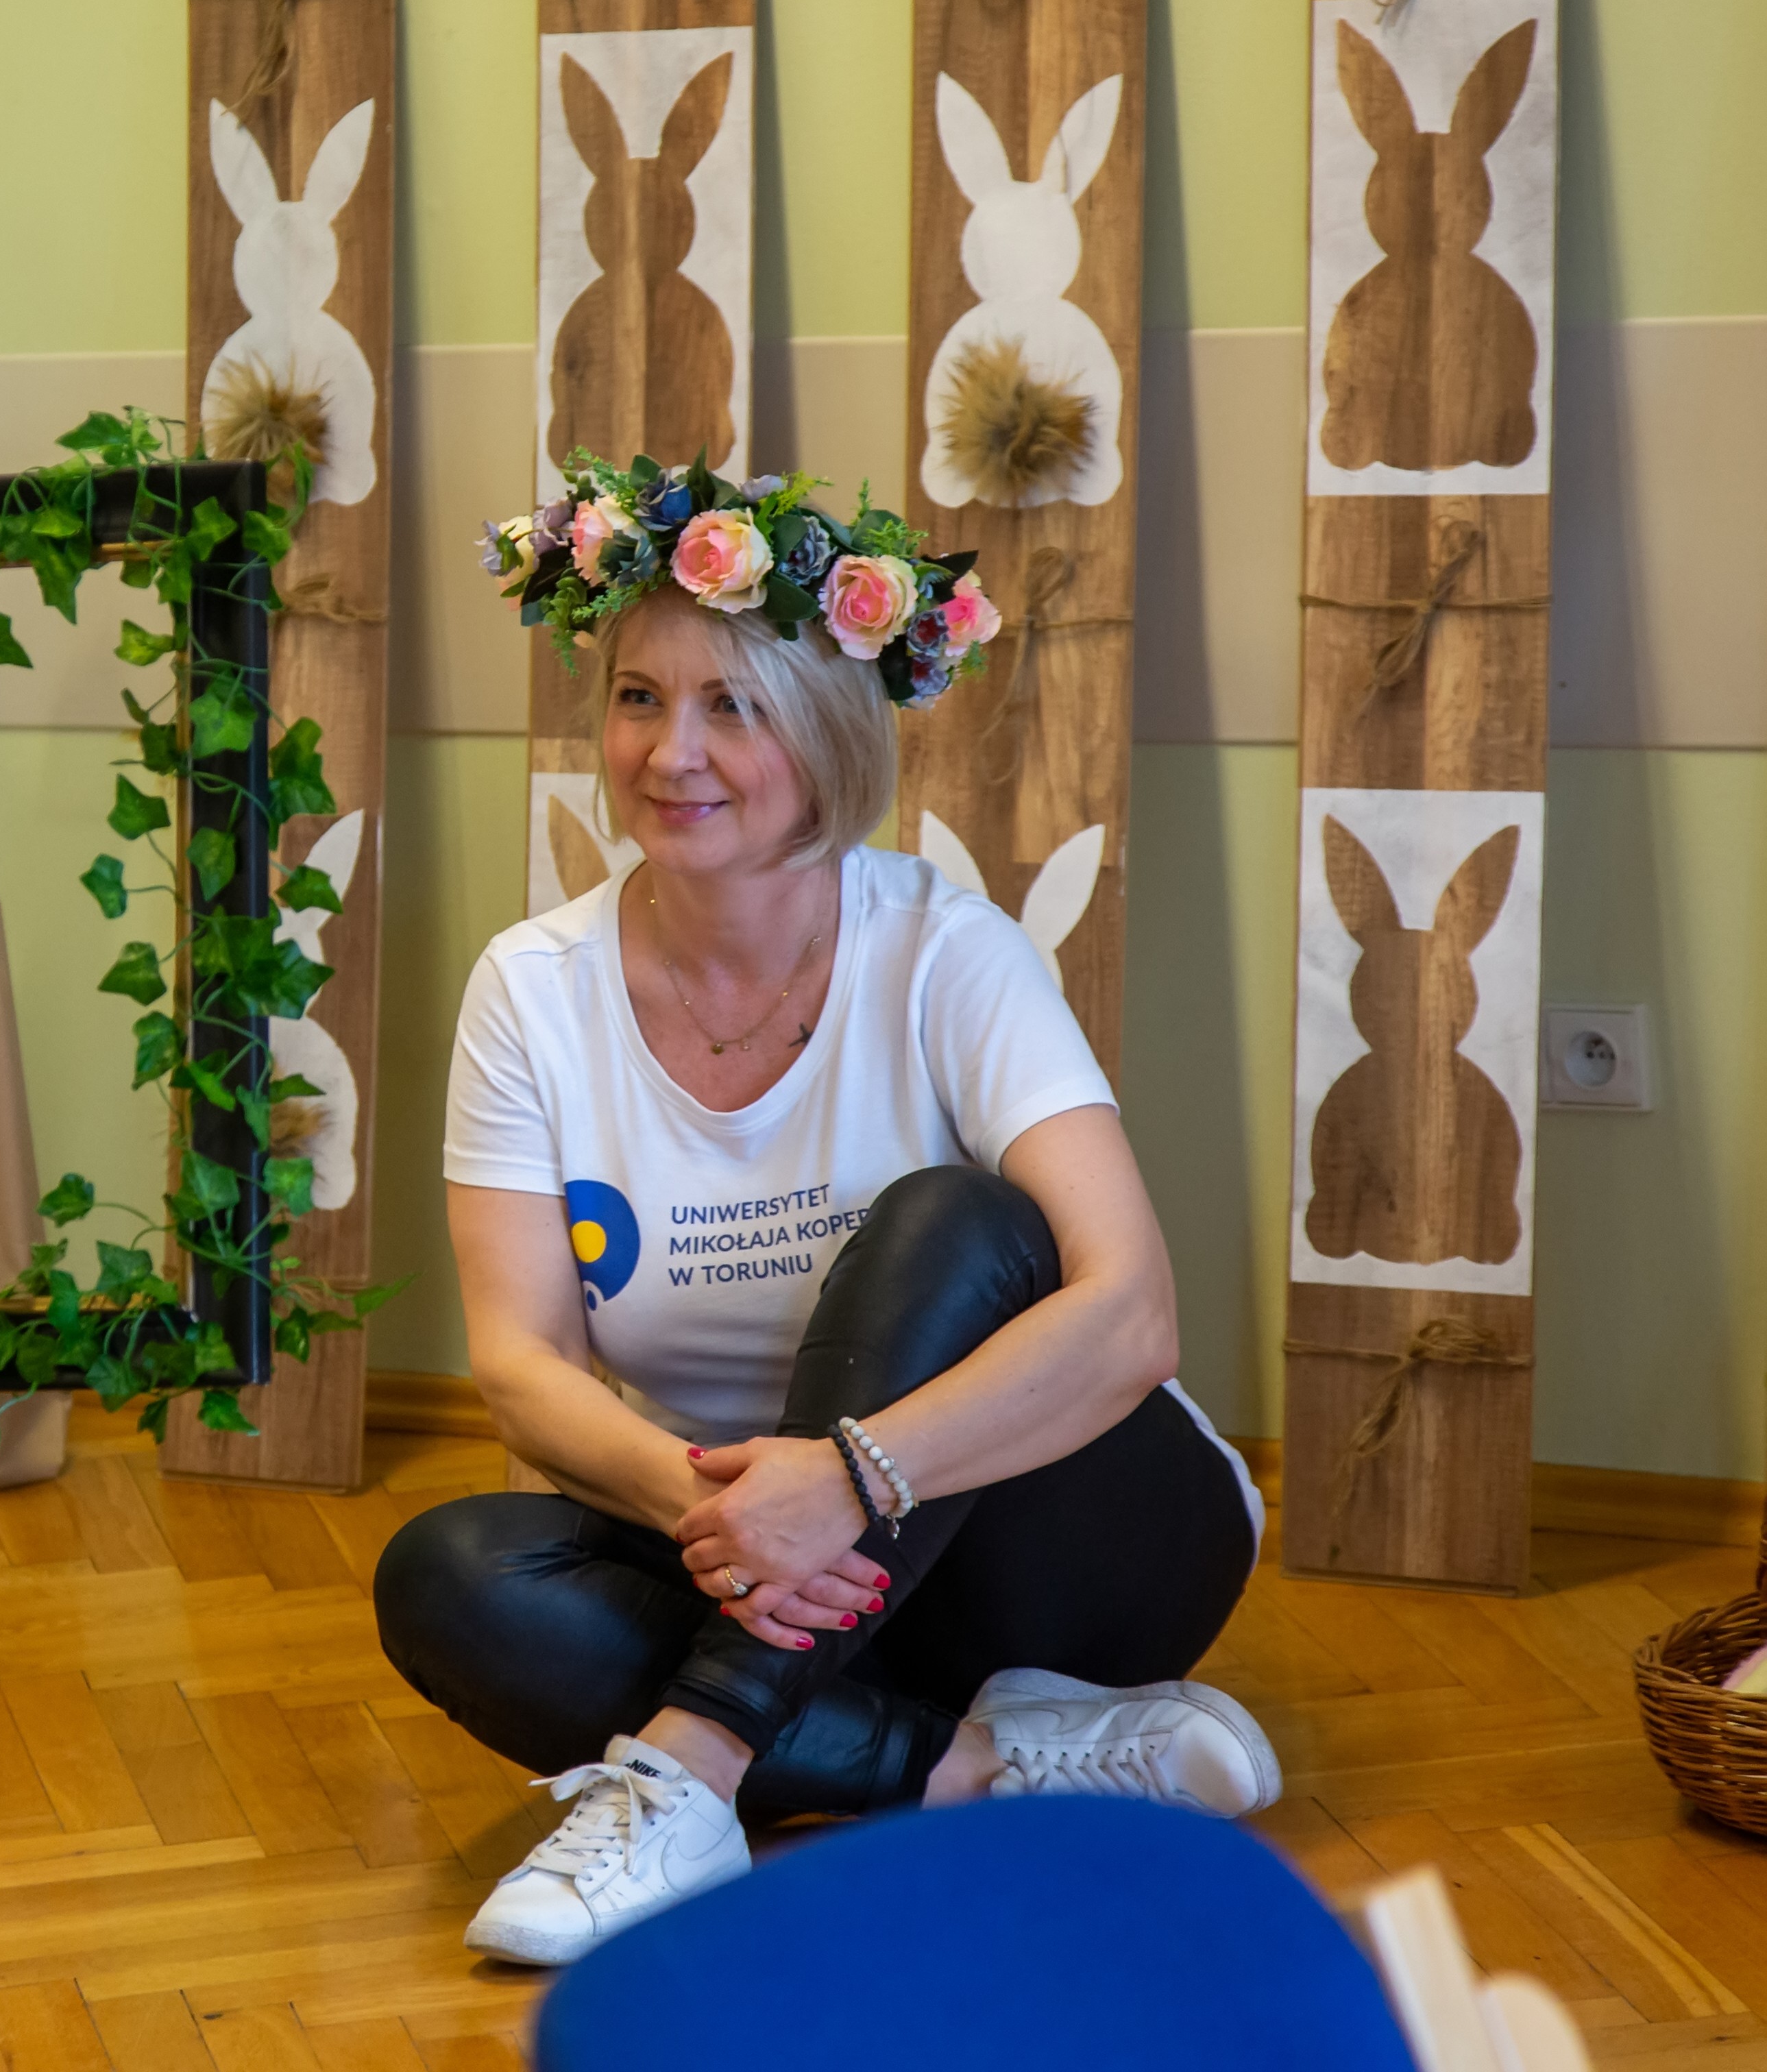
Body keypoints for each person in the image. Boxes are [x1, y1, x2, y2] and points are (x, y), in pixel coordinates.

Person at [382, 493, 1274, 1969]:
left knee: (957, 1219)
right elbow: (519, 1366)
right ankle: (971, 1767)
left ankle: (690, 1766)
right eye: (638, 698)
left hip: (1062, 1549)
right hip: (761, 1563)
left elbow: (1130, 1314)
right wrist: (742, 1519)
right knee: (449, 1576)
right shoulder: (529, 991)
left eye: (732, 707)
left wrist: (850, 1480)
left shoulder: (946, 951)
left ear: (828, 735)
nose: (671, 753)